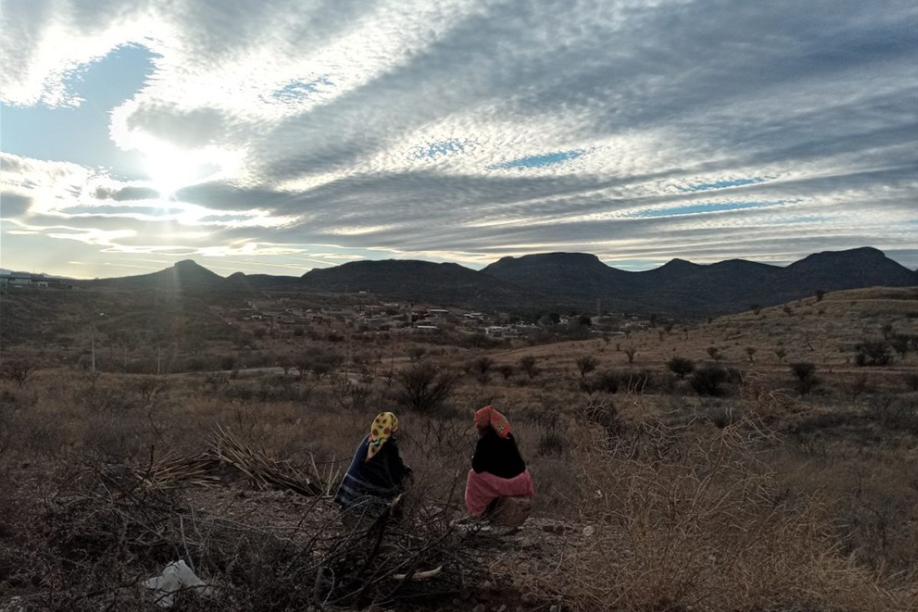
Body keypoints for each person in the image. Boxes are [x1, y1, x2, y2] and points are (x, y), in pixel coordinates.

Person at [334, 411, 412, 515]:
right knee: (397, 486)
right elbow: (395, 467)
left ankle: (350, 507)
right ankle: (388, 515)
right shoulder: (389, 445)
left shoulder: (369, 437)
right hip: (366, 486)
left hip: (351, 484)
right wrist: (407, 473)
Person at [464, 405, 535, 518]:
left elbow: (477, 467)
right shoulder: (508, 436)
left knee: (473, 475)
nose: (476, 426)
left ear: (483, 425)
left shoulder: (484, 442)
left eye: (478, 424)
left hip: (506, 484)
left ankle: (476, 512)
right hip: (521, 481)